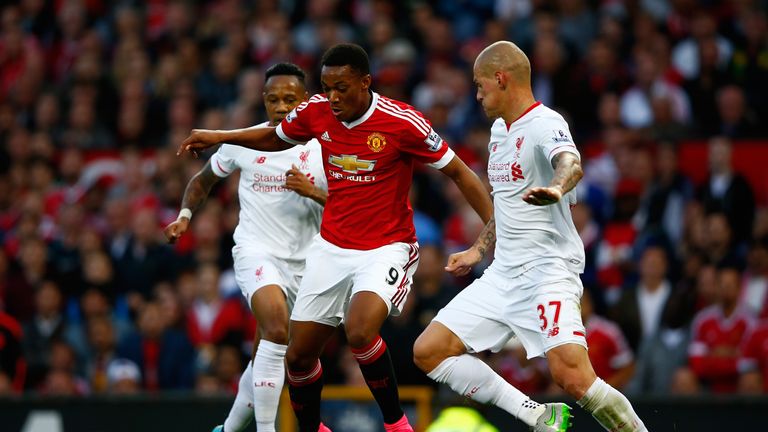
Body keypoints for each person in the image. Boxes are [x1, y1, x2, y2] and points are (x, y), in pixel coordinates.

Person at [179, 43, 493, 432]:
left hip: (387, 247)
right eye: (327, 87)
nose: (333, 97)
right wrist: (219, 135)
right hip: (330, 248)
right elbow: (276, 137)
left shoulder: (403, 122)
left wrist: (490, 231)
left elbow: (460, 172)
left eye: (342, 87)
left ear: (365, 82)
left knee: (360, 331)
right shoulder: (317, 112)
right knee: (297, 357)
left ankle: (396, 424)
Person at [412, 41, 647, 432]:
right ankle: (539, 415)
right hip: (503, 274)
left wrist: (556, 187)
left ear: (501, 78)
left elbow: (570, 163)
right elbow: (503, 203)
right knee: (430, 351)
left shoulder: (546, 123)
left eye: (480, 84)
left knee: (572, 377)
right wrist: (478, 248)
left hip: (547, 271)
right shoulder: (499, 131)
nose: (477, 93)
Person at [164, 63, 327, 432]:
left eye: (290, 99)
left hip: (307, 262)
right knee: (275, 328)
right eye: (273, 100)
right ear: (264, 101)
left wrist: (312, 191)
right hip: (256, 252)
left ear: (305, 100)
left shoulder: (324, 147)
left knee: (267, 354)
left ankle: (229, 427)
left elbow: (349, 209)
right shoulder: (246, 141)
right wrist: (185, 215)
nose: (282, 107)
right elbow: (202, 180)